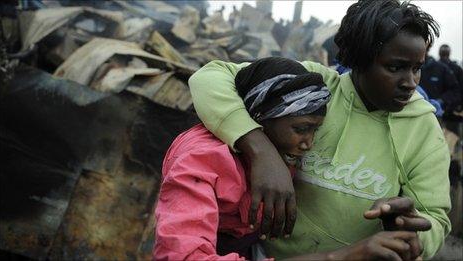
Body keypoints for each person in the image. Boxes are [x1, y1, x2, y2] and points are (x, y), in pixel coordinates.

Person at [188, 0, 451, 260]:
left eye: (417, 68)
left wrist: (410, 234)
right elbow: (209, 78)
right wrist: (260, 149)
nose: (411, 83)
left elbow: (435, 220)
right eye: (395, 68)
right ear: (359, 59)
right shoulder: (312, 88)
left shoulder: (423, 128)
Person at [153, 57, 331, 260]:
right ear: (260, 116)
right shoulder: (202, 160)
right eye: (301, 129)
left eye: (314, 131)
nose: (308, 144)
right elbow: (181, 255)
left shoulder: (281, 157)